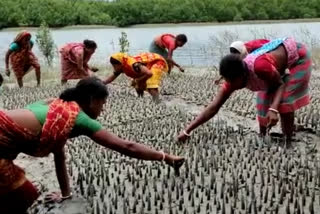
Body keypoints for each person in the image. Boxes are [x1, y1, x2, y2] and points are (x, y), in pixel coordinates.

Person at [0, 77, 184, 213]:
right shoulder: (78, 118)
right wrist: (165, 157)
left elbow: (59, 156)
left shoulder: (58, 109)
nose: (102, 109)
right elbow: (127, 146)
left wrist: (65, 194)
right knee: (23, 195)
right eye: (102, 104)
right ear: (92, 100)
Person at [178, 37, 311, 147]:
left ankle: (288, 139)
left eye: (232, 81)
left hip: (297, 57)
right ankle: (263, 135)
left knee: (283, 102)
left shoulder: (260, 68)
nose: (230, 85)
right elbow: (213, 107)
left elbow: (281, 84)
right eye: (228, 81)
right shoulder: (232, 80)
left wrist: (274, 109)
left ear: (242, 75)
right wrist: (187, 130)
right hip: (274, 68)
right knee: (262, 102)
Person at [103, 52, 169, 103]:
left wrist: (138, 80)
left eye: (114, 66)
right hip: (146, 67)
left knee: (151, 84)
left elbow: (149, 73)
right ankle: (141, 99)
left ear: (120, 63)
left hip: (157, 62)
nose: (114, 68)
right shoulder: (122, 66)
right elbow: (109, 79)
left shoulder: (134, 65)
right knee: (137, 85)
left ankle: (157, 102)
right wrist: (99, 83)